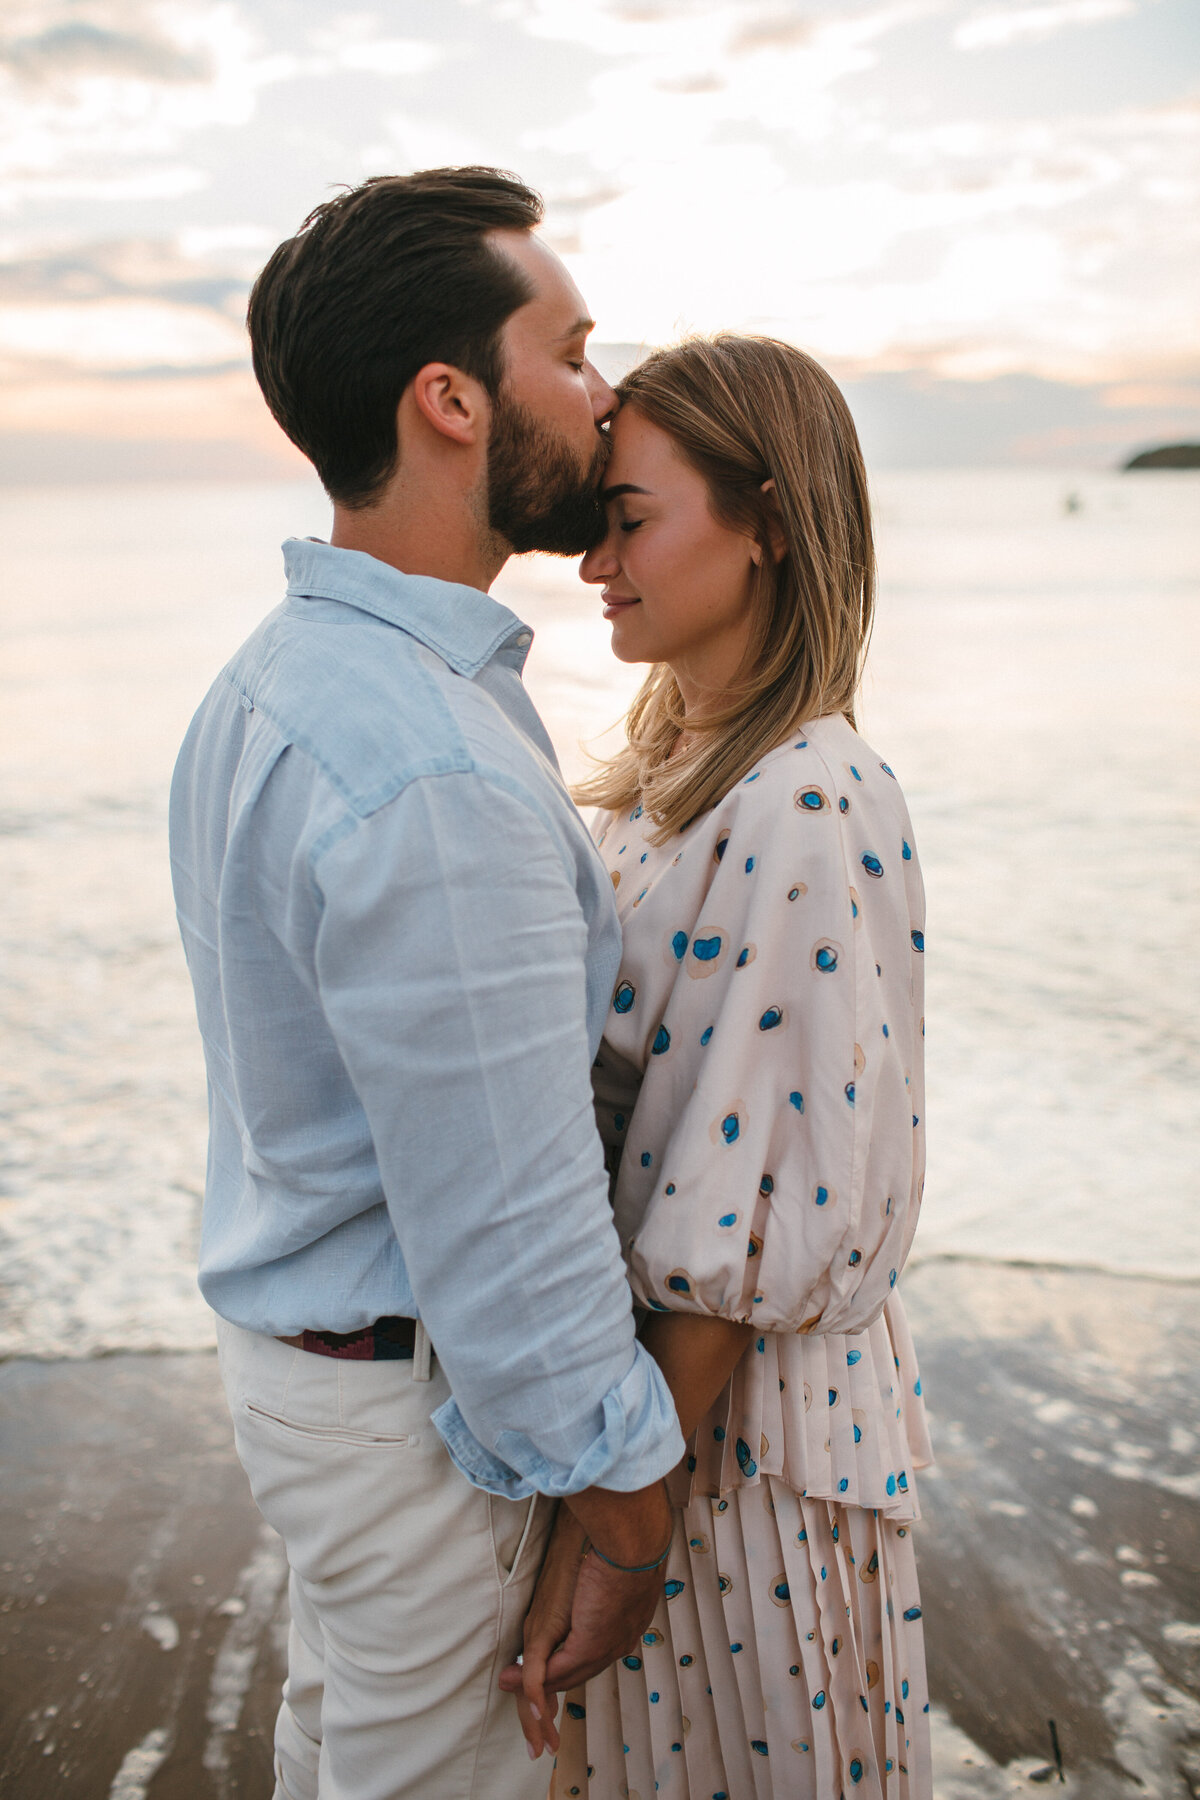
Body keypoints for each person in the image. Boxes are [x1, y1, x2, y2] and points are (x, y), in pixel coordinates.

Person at [168, 167, 686, 1800]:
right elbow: (506, 1221)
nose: (609, 403)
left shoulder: (274, 684)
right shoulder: (430, 766)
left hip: (315, 1384)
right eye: (577, 353)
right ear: (452, 400)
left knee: (339, 1747)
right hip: (414, 1425)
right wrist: (626, 1506)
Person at [503, 335, 934, 1799]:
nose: (593, 566)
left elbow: (739, 1219)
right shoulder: (667, 775)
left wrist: (625, 1517)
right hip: (663, 1417)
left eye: (630, 519)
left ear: (764, 523)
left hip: (733, 1433)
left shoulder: (807, 798)